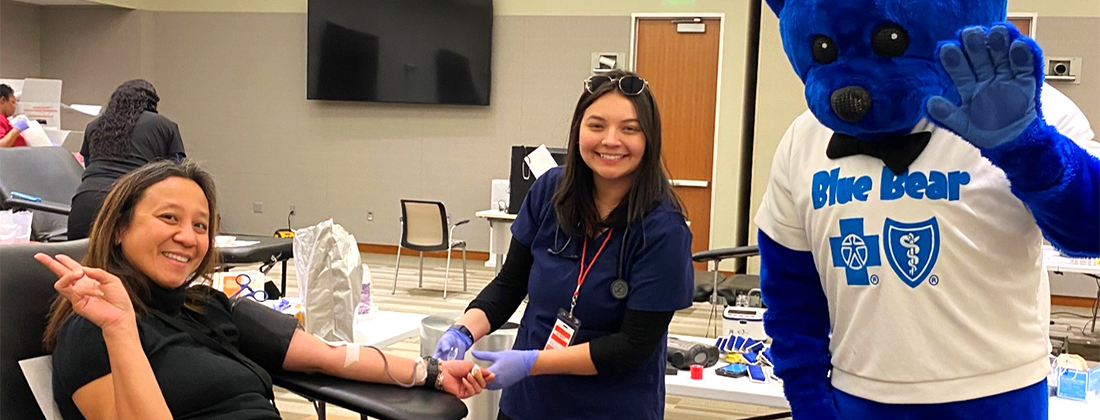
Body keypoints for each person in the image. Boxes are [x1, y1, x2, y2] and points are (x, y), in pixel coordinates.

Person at [39, 160, 491, 420]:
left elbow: (331, 357)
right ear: (118, 227)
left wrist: (429, 372)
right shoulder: (94, 332)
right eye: (169, 218)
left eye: (201, 225)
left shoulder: (208, 307)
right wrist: (120, 326)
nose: (189, 237)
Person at [434, 70, 695, 420]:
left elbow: (632, 346)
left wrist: (532, 361)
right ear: (578, 131)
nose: (611, 140)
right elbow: (509, 285)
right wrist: (464, 330)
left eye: (629, 128)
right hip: (528, 404)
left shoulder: (663, 228)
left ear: (649, 138)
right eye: (597, 125)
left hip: (611, 408)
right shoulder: (550, 192)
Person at [68, 79, 186, 240]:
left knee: (77, 261)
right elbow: (177, 172)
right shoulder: (165, 126)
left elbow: (87, 164)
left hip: (85, 201)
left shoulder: (94, 125)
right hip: (129, 202)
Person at [0, 83, 29, 148]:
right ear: (3, 100)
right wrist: (17, 129)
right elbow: (1, 146)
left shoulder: (4, 120)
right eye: (13, 102)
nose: (15, 107)